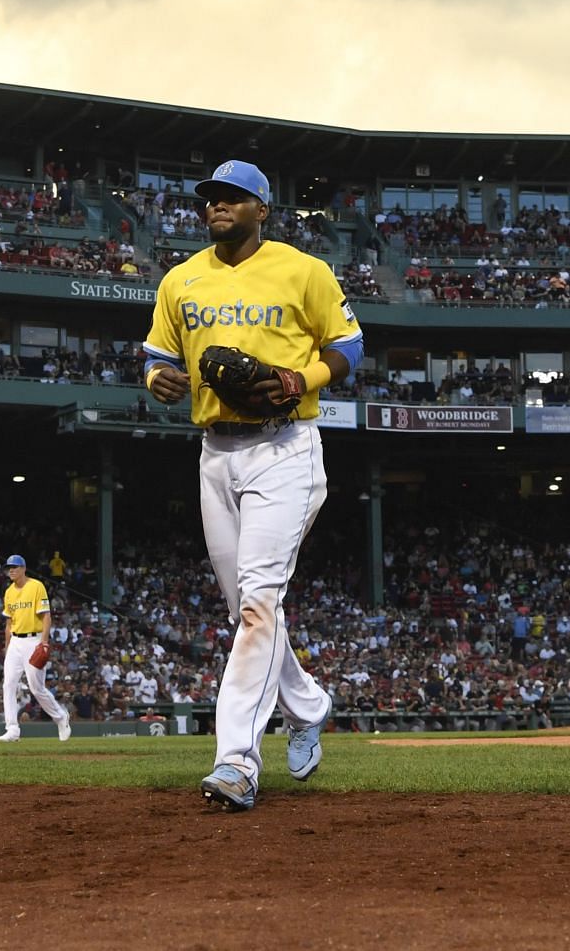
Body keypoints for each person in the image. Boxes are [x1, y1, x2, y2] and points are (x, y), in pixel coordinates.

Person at [142, 159, 365, 811]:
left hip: (285, 447)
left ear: (262, 209)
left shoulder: (304, 270)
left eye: (233, 197)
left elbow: (349, 345)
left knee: (260, 598)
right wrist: (157, 381)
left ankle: (237, 758)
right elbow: (158, 355)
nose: (217, 205)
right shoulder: (181, 279)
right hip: (216, 452)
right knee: (247, 608)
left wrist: (303, 379)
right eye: (211, 197)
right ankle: (308, 703)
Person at [0, 555, 71, 742]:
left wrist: (44, 642)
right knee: (9, 684)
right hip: (15, 641)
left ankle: (61, 717)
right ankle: (12, 729)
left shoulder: (36, 586)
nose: (11, 570)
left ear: (23, 568)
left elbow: (46, 616)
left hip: (33, 639)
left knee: (36, 688)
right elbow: (8, 623)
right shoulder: (9, 592)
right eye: (9, 568)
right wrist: (7, 648)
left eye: (14, 567)